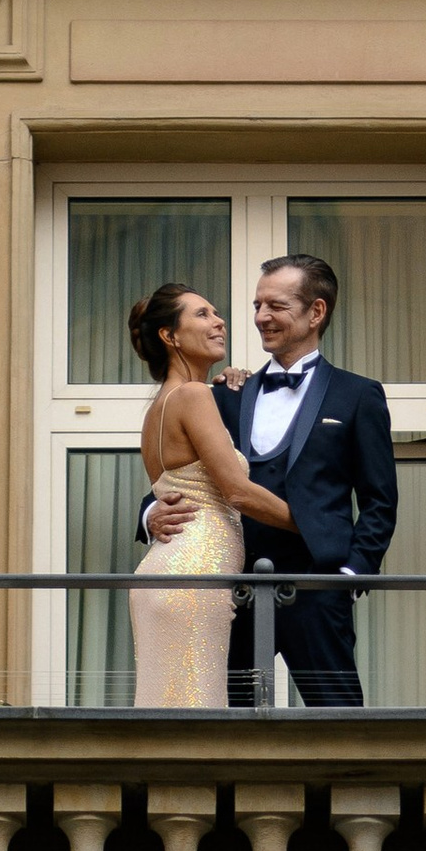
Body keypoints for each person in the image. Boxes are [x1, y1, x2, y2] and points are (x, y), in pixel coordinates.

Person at [145, 253, 398, 710]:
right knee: (225, 719)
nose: (261, 317)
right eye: (257, 305)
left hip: (318, 588)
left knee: (340, 720)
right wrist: (151, 514)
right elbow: (179, 473)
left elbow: (380, 499)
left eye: (276, 306)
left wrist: (350, 573)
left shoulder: (358, 395)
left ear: (315, 312)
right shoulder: (223, 394)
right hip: (232, 589)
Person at [126, 283, 294, 711]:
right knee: (197, 711)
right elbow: (236, 491)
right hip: (195, 574)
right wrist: (312, 523)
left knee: (167, 709)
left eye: (217, 313)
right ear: (170, 336)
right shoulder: (193, 395)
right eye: (202, 314)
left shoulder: (159, 407)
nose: (219, 322)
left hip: (166, 571)